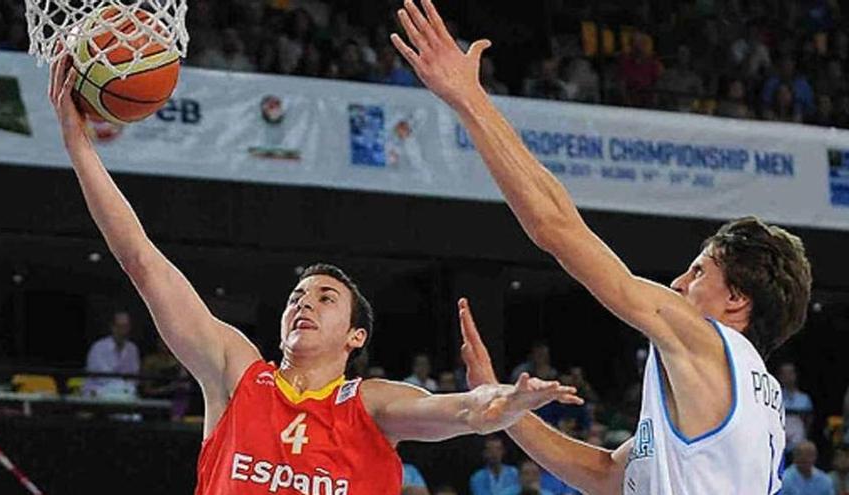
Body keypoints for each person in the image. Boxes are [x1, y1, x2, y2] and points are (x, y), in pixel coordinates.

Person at [48, 56, 581, 494]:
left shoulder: (372, 404)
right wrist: (79, 146)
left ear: (357, 335)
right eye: (297, 296)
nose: (303, 303)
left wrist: (502, 403)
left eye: (325, 298)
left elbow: (463, 412)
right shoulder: (237, 375)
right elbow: (142, 261)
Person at [390, 2, 812, 493]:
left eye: (699, 272)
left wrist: (470, 100)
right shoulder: (762, 397)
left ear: (737, 297)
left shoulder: (704, 338)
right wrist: (503, 410)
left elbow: (557, 228)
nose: (678, 283)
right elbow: (607, 474)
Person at [83, 310, 141, 398]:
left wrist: (124, 387)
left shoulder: (132, 349)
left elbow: (134, 377)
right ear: (112, 327)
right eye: (119, 326)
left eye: (125, 326)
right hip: (98, 392)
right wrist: (118, 385)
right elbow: (100, 377)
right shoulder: (98, 347)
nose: (123, 331)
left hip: (124, 393)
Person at [780, 362, 815, 452]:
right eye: (784, 374)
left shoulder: (804, 399)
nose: (787, 377)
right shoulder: (777, 397)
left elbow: (808, 421)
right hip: (780, 441)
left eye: (790, 373)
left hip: (798, 443)